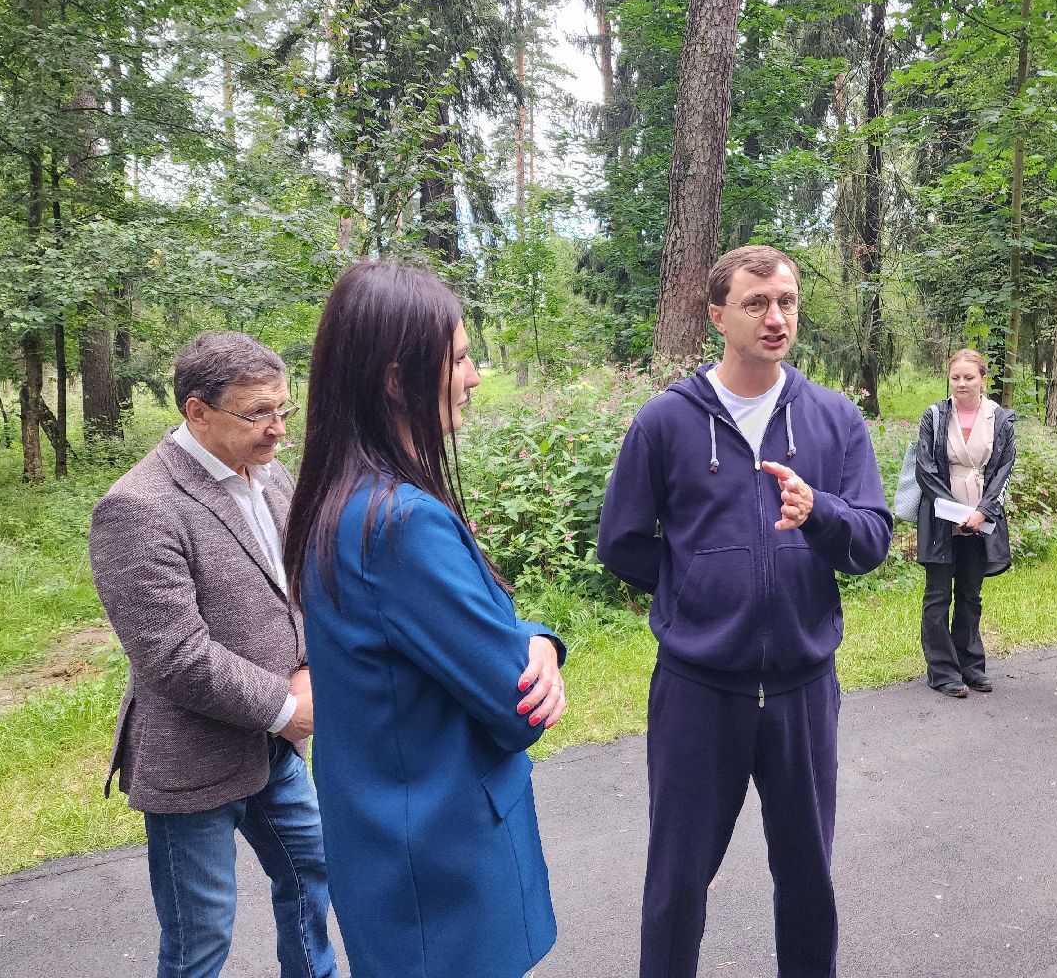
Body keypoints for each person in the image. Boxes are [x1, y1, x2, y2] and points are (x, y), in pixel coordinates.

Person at [597, 244, 892, 978]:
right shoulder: (666, 421)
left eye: (787, 301)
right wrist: (697, 585)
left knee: (807, 878)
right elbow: (623, 542)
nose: (776, 316)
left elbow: (872, 539)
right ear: (717, 315)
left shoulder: (833, 419)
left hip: (802, 687)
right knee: (676, 883)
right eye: (757, 303)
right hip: (698, 690)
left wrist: (819, 512)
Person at [283, 262, 565, 978]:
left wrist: (537, 640)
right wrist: (532, 654)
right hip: (443, 862)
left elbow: (449, 641)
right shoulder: (400, 524)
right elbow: (517, 706)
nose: (474, 376)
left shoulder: (339, 502)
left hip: (387, 844)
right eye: (462, 358)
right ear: (394, 378)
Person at [88, 333, 336, 978]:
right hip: (192, 763)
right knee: (201, 939)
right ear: (197, 412)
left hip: (275, 754)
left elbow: (294, 587)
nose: (278, 429)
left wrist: (307, 663)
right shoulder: (138, 507)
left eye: (284, 409)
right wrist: (285, 706)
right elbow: (172, 652)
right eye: (257, 413)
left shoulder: (270, 473)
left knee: (314, 877)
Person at [912, 349, 1017, 697]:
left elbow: (1003, 470)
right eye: (955, 377)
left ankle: (971, 666)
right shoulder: (934, 416)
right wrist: (957, 512)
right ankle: (942, 671)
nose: (961, 383)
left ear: (983, 380)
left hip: (982, 519)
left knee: (971, 595)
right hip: (941, 519)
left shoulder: (1000, 419)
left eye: (969, 377)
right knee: (938, 595)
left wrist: (981, 511)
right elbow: (924, 470)